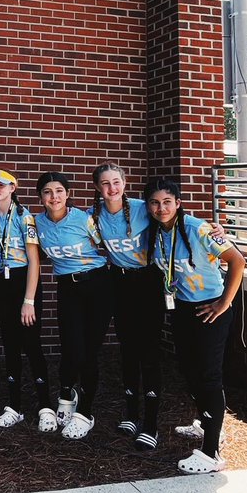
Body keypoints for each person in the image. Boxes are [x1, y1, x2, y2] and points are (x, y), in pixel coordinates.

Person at [144, 176, 246, 474]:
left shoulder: (198, 228)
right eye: (154, 202)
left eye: (167, 201)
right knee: (189, 370)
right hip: (183, 309)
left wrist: (224, 303)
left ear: (178, 202)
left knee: (208, 375)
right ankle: (205, 423)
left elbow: (237, 260)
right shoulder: (157, 232)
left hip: (211, 308)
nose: (161, 208)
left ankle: (211, 453)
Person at [90, 162, 163, 450]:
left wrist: (214, 229)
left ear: (124, 182)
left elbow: (175, 219)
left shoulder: (144, 208)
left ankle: (151, 424)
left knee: (150, 350)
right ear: (98, 187)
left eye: (116, 182)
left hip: (147, 281)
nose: (112, 188)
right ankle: (132, 413)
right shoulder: (92, 215)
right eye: (105, 184)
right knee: (128, 348)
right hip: (118, 283)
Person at [34, 171, 110, 440]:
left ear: (68, 194)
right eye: (47, 192)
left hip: (96, 285)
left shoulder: (83, 219)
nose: (54, 196)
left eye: (59, 191)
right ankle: (67, 395)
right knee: (70, 345)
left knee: (88, 350)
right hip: (67, 286)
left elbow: (106, 245)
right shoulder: (37, 223)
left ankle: (86, 413)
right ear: (40, 197)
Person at [0, 168, 56, 431]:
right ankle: (14, 406)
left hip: (24, 281)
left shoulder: (24, 218)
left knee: (31, 343)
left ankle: (45, 406)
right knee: (9, 343)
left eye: (1, 185)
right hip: (0, 280)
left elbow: (35, 261)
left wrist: (29, 300)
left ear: (13, 188)